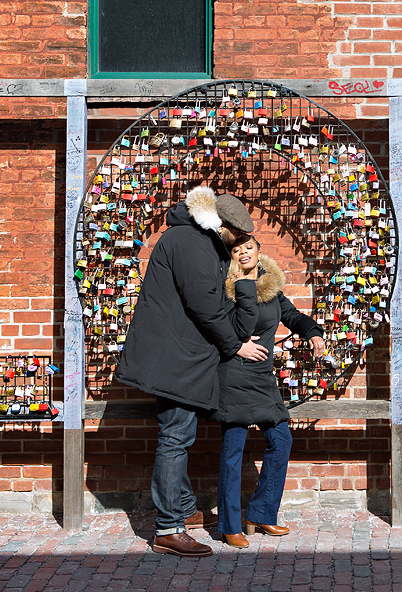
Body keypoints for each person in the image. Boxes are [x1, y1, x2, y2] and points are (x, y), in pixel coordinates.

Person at [116, 186, 265, 558]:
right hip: (175, 356)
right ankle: (168, 529)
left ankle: (181, 509)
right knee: (175, 437)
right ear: (224, 227)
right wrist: (235, 345)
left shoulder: (191, 239)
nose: (241, 244)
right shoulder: (192, 243)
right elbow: (205, 306)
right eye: (239, 237)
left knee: (178, 432)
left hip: (181, 354)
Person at [214, 234, 326, 549]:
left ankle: (261, 512)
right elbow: (226, 328)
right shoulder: (227, 288)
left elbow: (290, 315)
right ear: (232, 257)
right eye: (237, 250)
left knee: (281, 439)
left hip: (262, 377)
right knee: (233, 448)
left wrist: (312, 332)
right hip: (234, 374)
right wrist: (238, 344)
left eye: (248, 247)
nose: (244, 252)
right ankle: (229, 525)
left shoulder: (270, 287)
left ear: (259, 251)